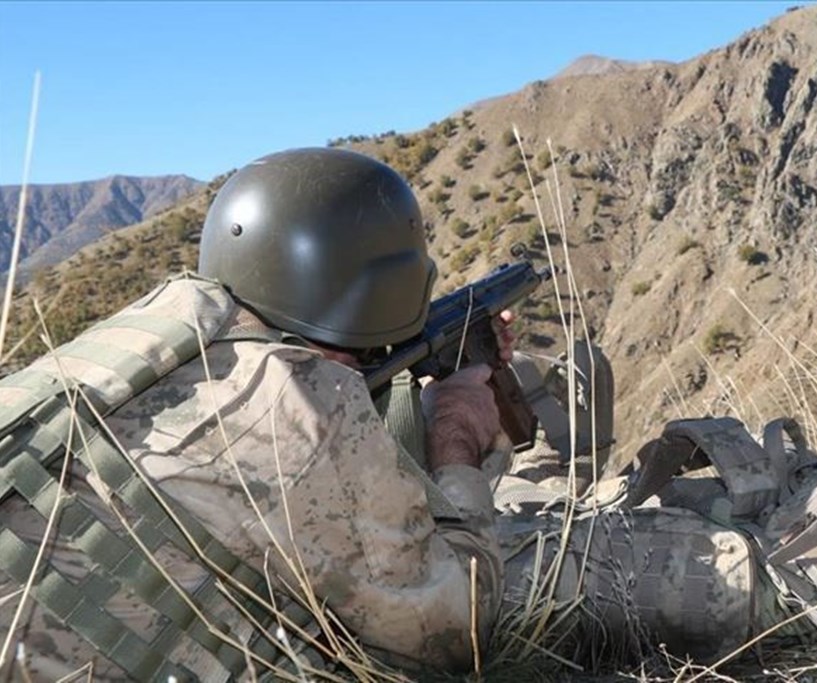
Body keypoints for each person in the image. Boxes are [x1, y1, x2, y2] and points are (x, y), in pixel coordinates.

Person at [0, 147, 513, 681]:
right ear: (389, 287)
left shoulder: (146, 328)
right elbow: (460, 634)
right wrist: (456, 434)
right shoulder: (305, 409)